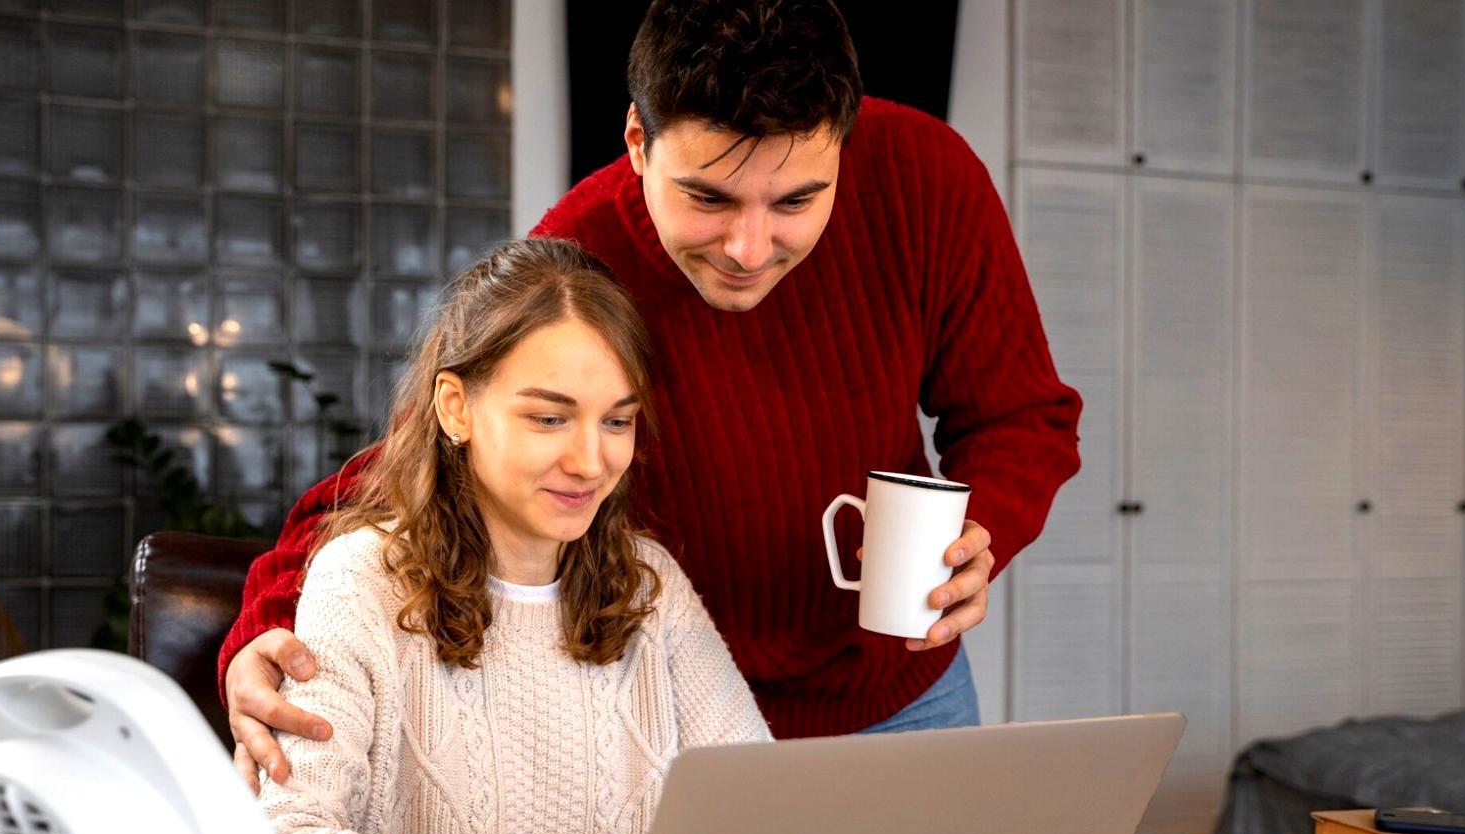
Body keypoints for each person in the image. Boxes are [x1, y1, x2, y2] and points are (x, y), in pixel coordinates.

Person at [224, 0, 1082, 790]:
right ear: (638, 141)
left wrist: (984, 535)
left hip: (903, 694)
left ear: (844, 148)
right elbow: (411, 468)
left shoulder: (929, 179)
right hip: (674, 705)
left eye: (796, 202)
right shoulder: (580, 253)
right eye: (707, 197)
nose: (749, 247)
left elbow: (1021, 417)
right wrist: (262, 632)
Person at [258, 238, 772, 834]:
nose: (591, 461)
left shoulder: (650, 587)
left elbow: (764, 821)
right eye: (549, 418)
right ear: (456, 408)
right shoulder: (361, 581)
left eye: (617, 420)